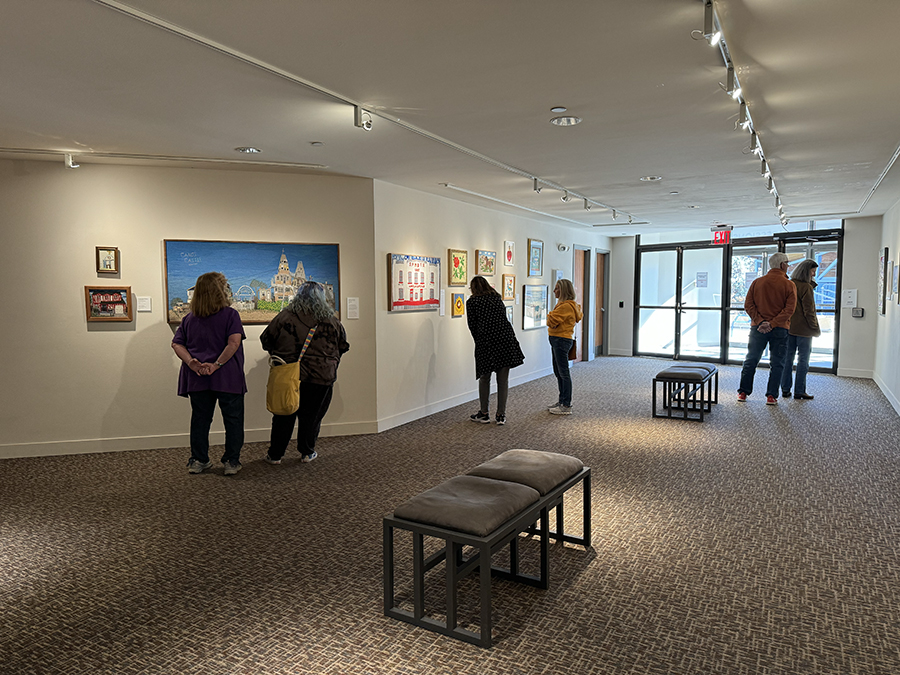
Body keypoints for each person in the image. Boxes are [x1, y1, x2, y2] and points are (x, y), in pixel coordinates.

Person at [260, 281, 349, 464]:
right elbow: (343, 346)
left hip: (288, 374)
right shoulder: (332, 321)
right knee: (312, 416)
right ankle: (307, 451)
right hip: (321, 376)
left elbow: (266, 340)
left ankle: (275, 455)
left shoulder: (285, 317)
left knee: (283, 414)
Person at [171, 272, 247, 475]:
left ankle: (199, 460)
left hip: (198, 377)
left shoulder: (188, 319)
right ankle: (231, 461)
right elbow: (234, 343)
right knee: (233, 419)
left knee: (200, 419)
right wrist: (216, 364)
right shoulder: (231, 315)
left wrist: (192, 363)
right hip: (227, 375)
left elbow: (176, 344)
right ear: (220, 291)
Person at [737, 252, 797, 405]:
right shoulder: (789, 285)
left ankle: (743, 392)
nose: (788, 266)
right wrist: (772, 323)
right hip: (780, 329)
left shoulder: (757, 282)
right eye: (787, 263)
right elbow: (789, 310)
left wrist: (760, 321)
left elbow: (748, 305)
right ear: (782, 265)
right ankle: (771, 396)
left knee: (751, 359)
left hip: (757, 328)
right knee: (777, 363)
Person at [466, 276, 525, 425]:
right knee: (502, 380)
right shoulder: (497, 298)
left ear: (473, 288)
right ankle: (500, 415)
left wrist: (479, 343)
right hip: (505, 340)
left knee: (485, 378)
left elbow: (472, 326)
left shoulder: (472, 302)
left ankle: (484, 413)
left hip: (486, 342)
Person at [781, 259, 821, 400]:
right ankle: (799, 391)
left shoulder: (789, 284)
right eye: (813, 271)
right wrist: (815, 328)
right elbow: (809, 311)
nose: (814, 274)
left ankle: (785, 389)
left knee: (787, 359)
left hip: (788, 327)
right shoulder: (806, 288)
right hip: (804, 330)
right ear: (806, 271)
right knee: (803, 360)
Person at [546, 278, 583, 415]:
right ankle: (562, 400)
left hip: (561, 340)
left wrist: (550, 316)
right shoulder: (563, 305)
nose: (554, 291)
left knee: (563, 373)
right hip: (558, 340)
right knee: (558, 372)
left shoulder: (566, 306)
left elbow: (550, 321)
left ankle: (566, 405)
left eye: (557, 288)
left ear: (563, 291)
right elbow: (553, 321)